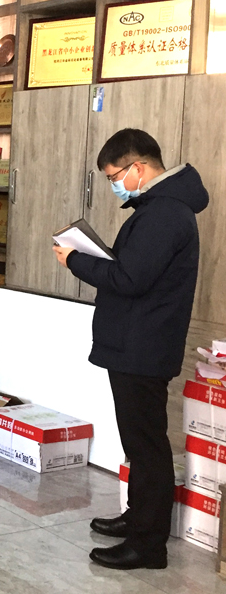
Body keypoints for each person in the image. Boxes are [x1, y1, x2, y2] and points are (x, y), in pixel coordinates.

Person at [53, 128, 209, 570]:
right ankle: (137, 518)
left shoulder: (165, 213)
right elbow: (135, 270)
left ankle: (148, 544)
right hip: (137, 341)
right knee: (138, 442)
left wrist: (75, 260)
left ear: (137, 168)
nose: (114, 186)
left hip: (144, 345)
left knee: (146, 446)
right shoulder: (158, 207)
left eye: (114, 177)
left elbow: (129, 279)